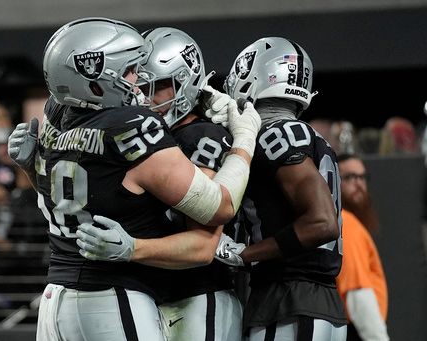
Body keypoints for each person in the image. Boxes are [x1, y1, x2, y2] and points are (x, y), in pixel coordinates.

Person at [8, 18, 261, 341]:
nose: (138, 84)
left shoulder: (59, 117)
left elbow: (72, 201)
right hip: (110, 295)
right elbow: (218, 206)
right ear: (95, 78)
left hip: (57, 293)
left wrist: (32, 167)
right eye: (130, 72)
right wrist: (244, 140)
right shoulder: (131, 126)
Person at [76, 27, 245, 340]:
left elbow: (203, 238)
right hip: (161, 294)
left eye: (153, 87)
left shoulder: (201, 137)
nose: (143, 96)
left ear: (184, 82)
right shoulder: (152, 138)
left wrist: (132, 249)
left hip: (198, 293)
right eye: (139, 86)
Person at [213, 37, 347, 340]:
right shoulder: (309, 135)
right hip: (313, 301)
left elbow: (322, 223)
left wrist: (245, 254)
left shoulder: (279, 134)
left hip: (291, 301)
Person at [336, 154, 389, 341]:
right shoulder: (347, 223)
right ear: (333, 180)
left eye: (362, 177)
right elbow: (357, 293)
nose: (358, 184)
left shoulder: (343, 221)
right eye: (350, 177)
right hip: (357, 330)